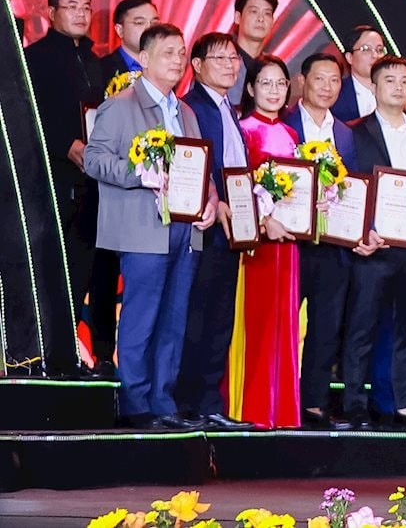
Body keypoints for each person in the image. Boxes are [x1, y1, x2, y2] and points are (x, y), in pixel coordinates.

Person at [82, 23, 216, 428]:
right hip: (143, 229)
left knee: (174, 319)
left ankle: (163, 402)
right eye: (167, 53)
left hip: (186, 229)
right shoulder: (121, 105)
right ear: (143, 59)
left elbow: (201, 169)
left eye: (181, 53)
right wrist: (139, 173)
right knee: (142, 318)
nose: (177, 60)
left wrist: (210, 202)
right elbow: (93, 159)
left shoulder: (185, 111)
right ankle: (136, 403)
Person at [340, 56, 406, 430]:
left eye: (404, 81)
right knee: (361, 328)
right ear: (374, 86)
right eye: (390, 80)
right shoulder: (353, 133)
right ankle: (354, 406)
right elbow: (346, 189)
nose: (398, 87)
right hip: (372, 247)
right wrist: (361, 230)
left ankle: (403, 407)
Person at [24, 0, 106, 375]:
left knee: (80, 270)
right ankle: (36, 355)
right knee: (48, 270)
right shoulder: (34, 59)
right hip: (51, 182)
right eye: (72, 6)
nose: (81, 14)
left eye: (86, 7)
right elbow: (28, 117)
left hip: (92, 185)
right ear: (51, 12)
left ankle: (66, 355)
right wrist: (64, 144)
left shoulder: (95, 61)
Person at [175, 32, 252, 429]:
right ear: (197, 65)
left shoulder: (228, 109)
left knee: (220, 318)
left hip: (231, 230)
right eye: (219, 58)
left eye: (234, 58)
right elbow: (193, 163)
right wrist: (215, 198)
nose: (229, 65)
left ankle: (209, 404)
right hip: (204, 226)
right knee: (197, 315)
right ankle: (187, 403)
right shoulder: (191, 107)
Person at [82, 0, 160, 373]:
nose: (148, 28)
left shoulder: (164, 77)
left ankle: (140, 362)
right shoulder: (101, 69)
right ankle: (102, 354)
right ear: (118, 29)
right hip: (108, 188)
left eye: (154, 22)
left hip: (152, 200)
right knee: (104, 271)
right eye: (139, 22)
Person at [285, 50, 357, 427]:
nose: (327, 87)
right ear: (302, 81)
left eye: (334, 81)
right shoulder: (284, 124)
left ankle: (313, 402)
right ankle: (280, 399)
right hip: (290, 243)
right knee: (283, 324)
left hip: (333, 244)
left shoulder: (345, 133)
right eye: (319, 79)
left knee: (326, 327)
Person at [232, 55, 303, 428]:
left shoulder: (292, 135)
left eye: (280, 83)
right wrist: (262, 221)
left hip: (289, 244)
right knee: (256, 325)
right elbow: (238, 186)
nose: (274, 91)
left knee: (284, 325)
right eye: (265, 83)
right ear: (250, 88)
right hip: (256, 244)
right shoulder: (244, 131)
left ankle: (282, 412)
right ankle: (254, 409)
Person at [342, 24, 388, 120]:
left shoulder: (395, 89)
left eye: (380, 50)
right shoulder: (336, 94)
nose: (375, 55)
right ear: (350, 57)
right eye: (366, 49)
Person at [229, 0, 279, 73]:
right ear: (238, 17)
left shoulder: (274, 69)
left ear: (272, 22)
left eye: (267, 13)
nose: (261, 19)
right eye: (254, 11)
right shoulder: (222, 62)